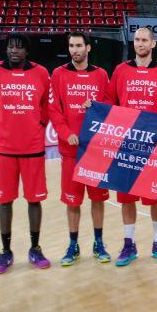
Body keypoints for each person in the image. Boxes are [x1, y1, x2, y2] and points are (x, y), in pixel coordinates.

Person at [0, 33, 52, 274]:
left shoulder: (41, 73)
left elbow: (46, 104)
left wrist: (40, 125)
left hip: (33, 147)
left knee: (35, 199)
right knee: (4, 200)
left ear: (26, 52)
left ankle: (35, 248)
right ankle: (5, 251)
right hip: (4, 148)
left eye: (19, 47)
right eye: (11, 46)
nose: (14, 51)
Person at [102, 27, 157, 266]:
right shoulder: (121, 70)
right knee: (127, 197)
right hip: (126, 144)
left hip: (153, 145)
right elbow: (110, 102)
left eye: (144, 40)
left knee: (155, 196)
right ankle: (128, 244)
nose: (140, 43)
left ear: (153, 44)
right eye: (137, 40)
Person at [48, 32, 111, 266]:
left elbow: (109, 105)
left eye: (78, 46)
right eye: (71, 46)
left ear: (88, 48)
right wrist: (67, 134)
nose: (74, 50)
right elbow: (53, 109)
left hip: (96, 150)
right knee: (73, 201)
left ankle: (99, 243)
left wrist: (97, 106)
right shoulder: (59, 74)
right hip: (70, 150)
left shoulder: (101, 74)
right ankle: (73, 245)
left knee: (97, 199)